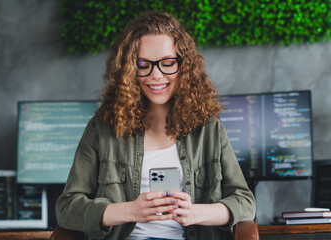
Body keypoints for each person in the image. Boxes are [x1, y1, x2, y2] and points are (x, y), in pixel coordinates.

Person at [55, 11, 256, 240]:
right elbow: (66, 209)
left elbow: (245, 202)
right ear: (129, 70)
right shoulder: (100, 130)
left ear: (184, 67)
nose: (156, 75)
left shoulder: (209, 129)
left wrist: (195, 213)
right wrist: (129, 211)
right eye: (143, 64)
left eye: (168, 63)